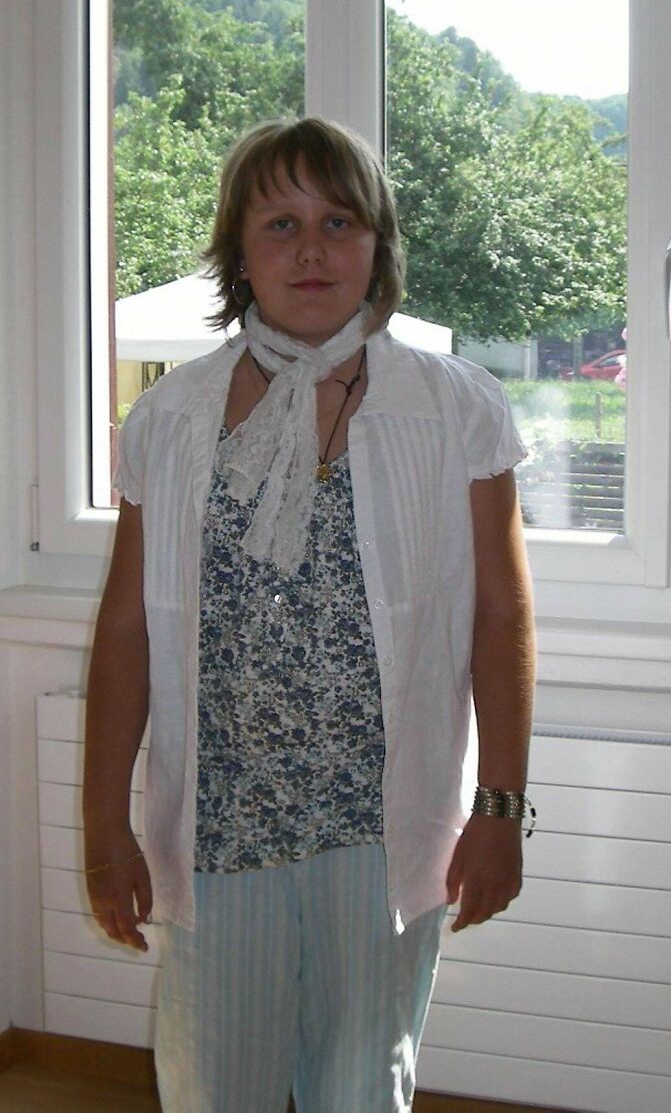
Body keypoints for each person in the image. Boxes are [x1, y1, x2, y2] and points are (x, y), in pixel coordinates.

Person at [83, 116, 536, 1113]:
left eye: (339, 220)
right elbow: (124, 632)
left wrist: (500, 808)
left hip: (380, 826)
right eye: (279, 223)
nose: (313, 248)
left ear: (378, 244)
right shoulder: (169, 419)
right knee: (214, 1085)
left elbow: (499, 615)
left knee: (361, 1089)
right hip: (220, 826)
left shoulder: (455, 404)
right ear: (237, 252)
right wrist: (100, 819)